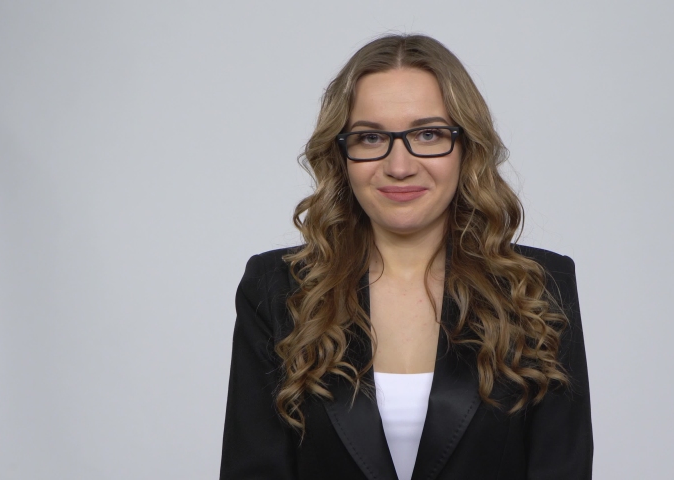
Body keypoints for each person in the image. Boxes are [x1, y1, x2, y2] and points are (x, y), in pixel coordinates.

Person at [220, 34, 593, 480]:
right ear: (341, 154)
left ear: (465, 147)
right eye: (371, 136)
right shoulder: (276, 289)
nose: (399, 166)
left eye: (428, 134)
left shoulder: (539, 286)